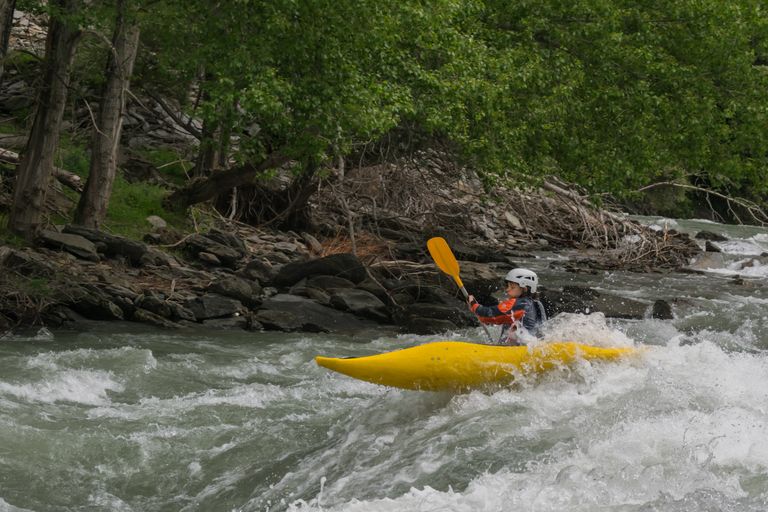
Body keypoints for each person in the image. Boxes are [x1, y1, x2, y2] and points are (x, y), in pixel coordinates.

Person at [467, 268, 547, 346]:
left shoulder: (520, 304)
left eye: (512, 287)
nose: (507, 290)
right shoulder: (535, 303)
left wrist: (474, 305)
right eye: (507, 286)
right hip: (530, 346)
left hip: (520, 348)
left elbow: (491, 314)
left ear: (524, 289)